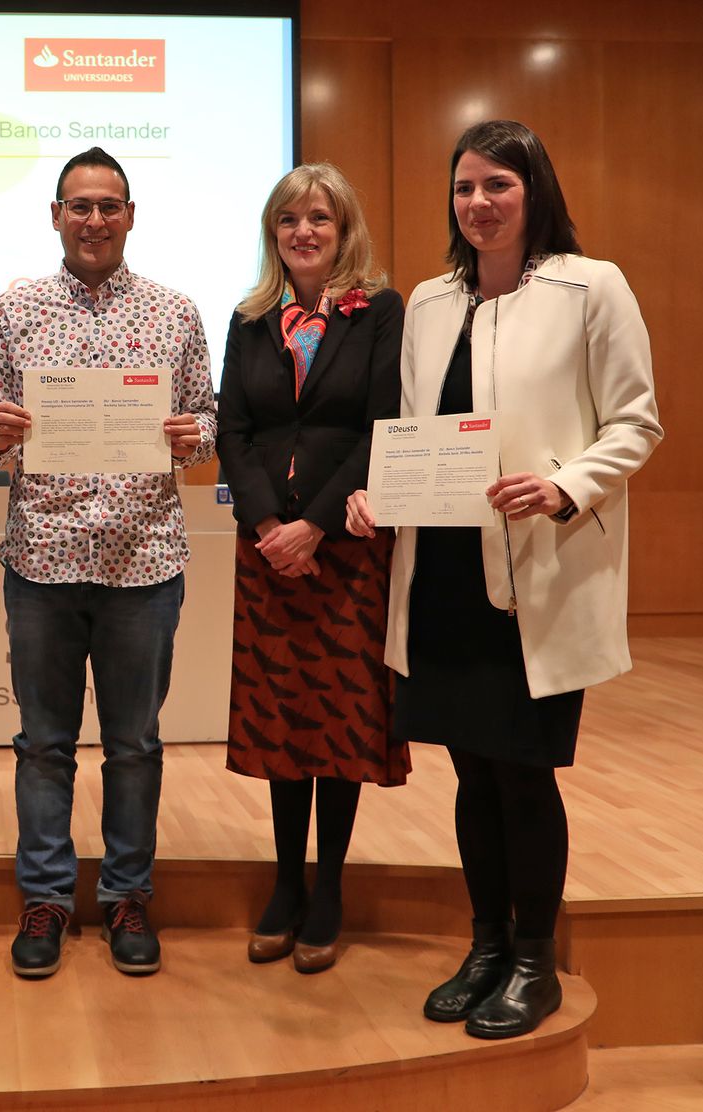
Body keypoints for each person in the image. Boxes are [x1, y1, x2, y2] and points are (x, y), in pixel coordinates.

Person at [347, 120, 661, 1038]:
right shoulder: (432, 301)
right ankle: (484, 947)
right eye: (464, 188)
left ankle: (533, 961)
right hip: (441, 572)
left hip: (535, 577)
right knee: (470, 777)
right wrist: (378, 495)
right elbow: (413, 434)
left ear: (535, 192)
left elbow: (637, 424)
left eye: (498, 187)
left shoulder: (591, 287)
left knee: (523, 775)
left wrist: (564, 485)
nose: (478, 204)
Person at [0, 147, 217, 979]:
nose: (94, 219)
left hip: (144, 561)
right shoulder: (12, 310)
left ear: (131, 215)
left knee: (135, 746)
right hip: (41, 555)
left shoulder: (176, 312)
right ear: (54, 216)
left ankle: (125, 896)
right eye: (79, 205)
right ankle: (44, 899)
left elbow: (203, 422)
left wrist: (196, 439)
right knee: (43, 745)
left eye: (109, 205)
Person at [215, 164, 409, 975]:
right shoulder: (252, 315)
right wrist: (268, 524)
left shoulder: (380, 311)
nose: (303, 231)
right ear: (273, 231)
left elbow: (387, 422)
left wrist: (313, 527)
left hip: (347, 548)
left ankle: (328, 888)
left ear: (344, 229)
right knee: (279, 719)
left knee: (339, 720)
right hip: (267, 553)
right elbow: (234, 427)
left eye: (319, 219)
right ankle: (286, 883)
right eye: (288, 219)